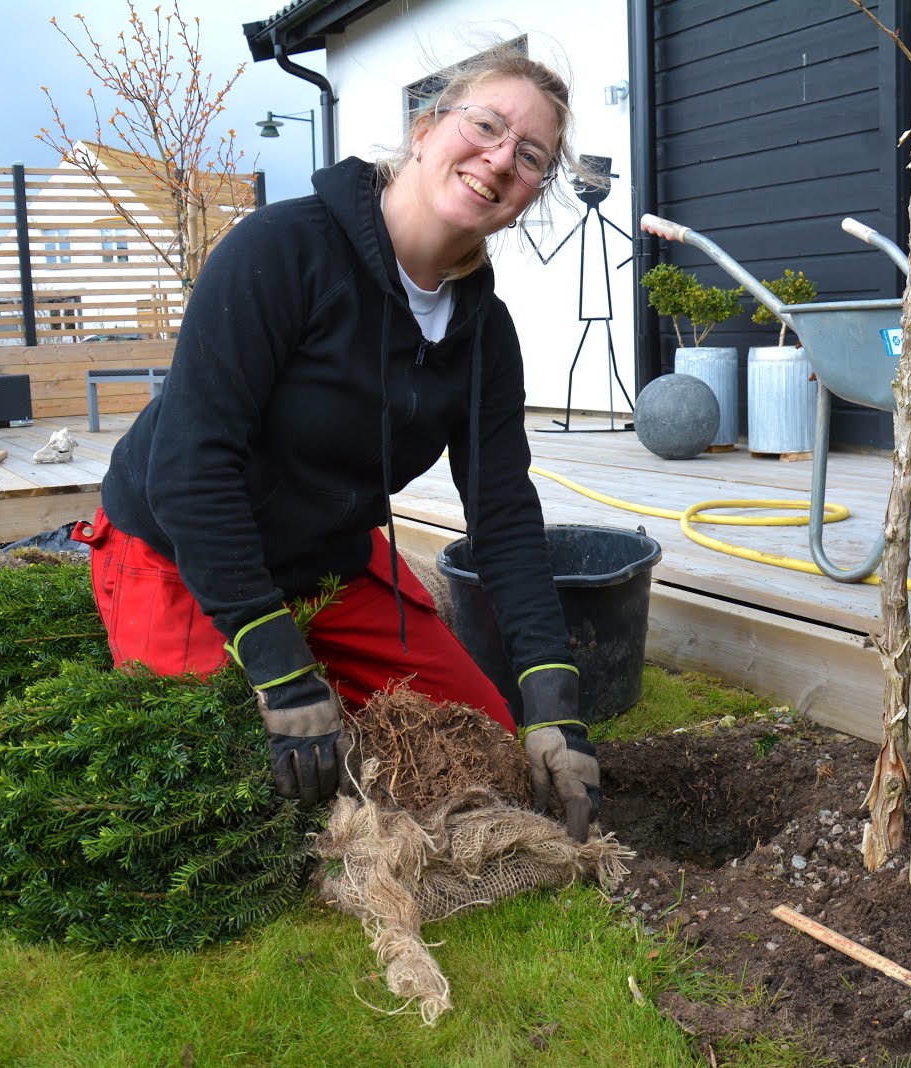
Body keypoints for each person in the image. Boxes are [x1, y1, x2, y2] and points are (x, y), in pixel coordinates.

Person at [72, 45, 601, 841]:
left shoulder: (485, 333)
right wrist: (278, 664)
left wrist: (552, 696)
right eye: (485, 126)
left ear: (530, 196)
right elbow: (190, 468)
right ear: (426, 131)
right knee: (215, 802)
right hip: (182, 548)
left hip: (326, 558)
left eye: (530, 157)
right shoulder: (282, 252)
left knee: (483, 746)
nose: (498, 159)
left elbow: (504, 513)